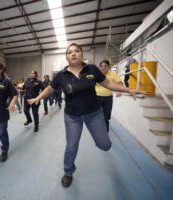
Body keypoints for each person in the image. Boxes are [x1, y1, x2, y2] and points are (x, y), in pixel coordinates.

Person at [27, 43, 147, 188]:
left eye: (77, 51)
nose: (73, 54)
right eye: (70, 52)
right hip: (72, 117)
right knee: (71, 146)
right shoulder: (61, 76)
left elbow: (108, 83)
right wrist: (38, 98)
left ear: (82, 54)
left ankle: (97, 137)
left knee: (105, 145)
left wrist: (127, 89)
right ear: (66, 57)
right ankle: (68, 172)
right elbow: (49, 89)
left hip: (94, 114)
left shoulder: (92, 69)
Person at [96, 60, 123, 132]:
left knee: (106, 116)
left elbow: (120, 83)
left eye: (105, 66)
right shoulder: (96, 74)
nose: (103, 68)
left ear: (109, 67)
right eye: (101, 66)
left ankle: (105, 132)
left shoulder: (113, 74)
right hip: (96, 98)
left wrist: (119, 91)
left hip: (108, 98)